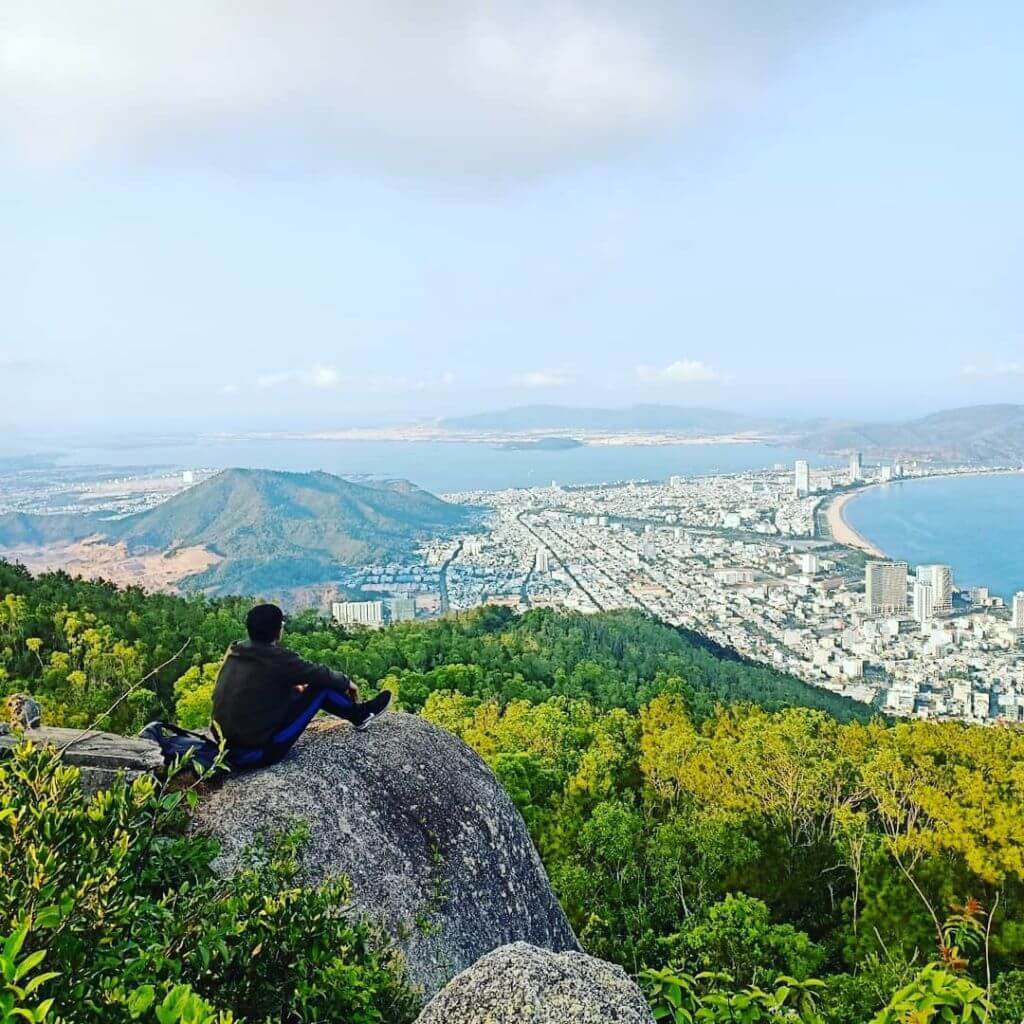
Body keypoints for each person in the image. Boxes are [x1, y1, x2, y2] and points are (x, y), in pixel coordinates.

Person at [211, 603, 391, 768]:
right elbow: (321, 675)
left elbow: (258, 689)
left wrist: (292, 691)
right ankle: (360, 715)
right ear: (278, 631)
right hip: (259, 753)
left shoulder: (236, 651)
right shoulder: (278, 659)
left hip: (225, 750)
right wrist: (347, 683)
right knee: (321, 688)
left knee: (299, 690)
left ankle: (357, 713)